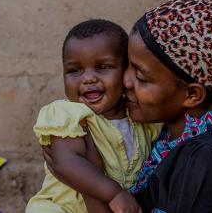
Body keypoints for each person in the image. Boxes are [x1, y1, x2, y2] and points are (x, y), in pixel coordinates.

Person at [25, 19, 162, 213]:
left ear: (126, 71)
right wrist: (114, 194)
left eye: (103, 67)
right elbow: (66, 162)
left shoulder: (140, 119)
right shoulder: (70, 115)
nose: (88, 78)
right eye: (74, 70)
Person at [123, 0, 212, 212]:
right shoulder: (169, 135)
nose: (126, 81)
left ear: (192, 95)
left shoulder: (208, 158)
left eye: (141, 77)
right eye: (127, 66)